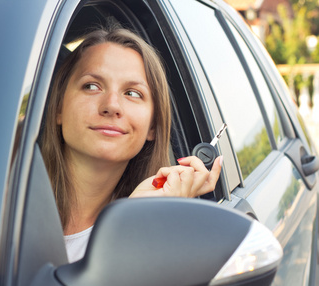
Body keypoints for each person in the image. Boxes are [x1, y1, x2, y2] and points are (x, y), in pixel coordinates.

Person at [41, 27, 222, 263]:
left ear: (153, 126)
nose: (111, 105)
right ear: (58, 109)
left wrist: (137, 225)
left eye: (133, 93)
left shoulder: (157, 231)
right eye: (92, 86)